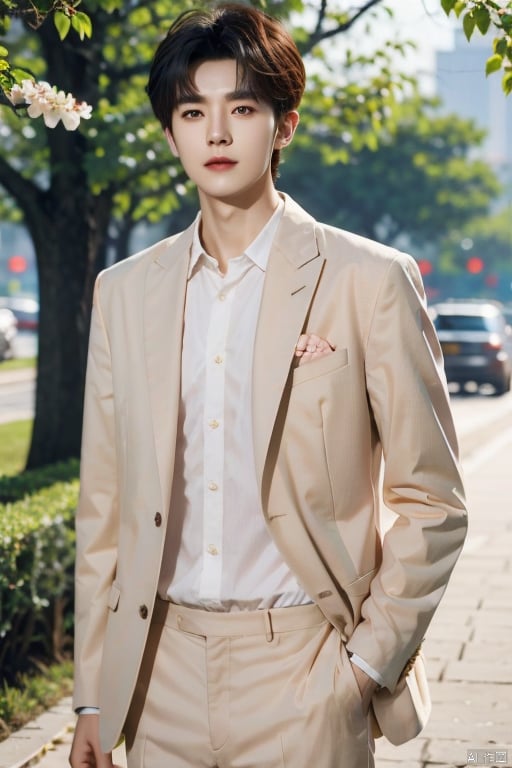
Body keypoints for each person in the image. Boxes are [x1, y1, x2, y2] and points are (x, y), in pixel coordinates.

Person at [69, 4, 468, 767]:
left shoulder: (370, 281)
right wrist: (94, 695)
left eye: (242, 108)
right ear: (171, 131)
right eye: (193, 111)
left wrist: (361, 669)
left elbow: (433, 501)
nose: (216, 134)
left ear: (282, 125)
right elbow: (106, 511)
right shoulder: (124, 291)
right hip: (160, 680)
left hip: (305, 674)